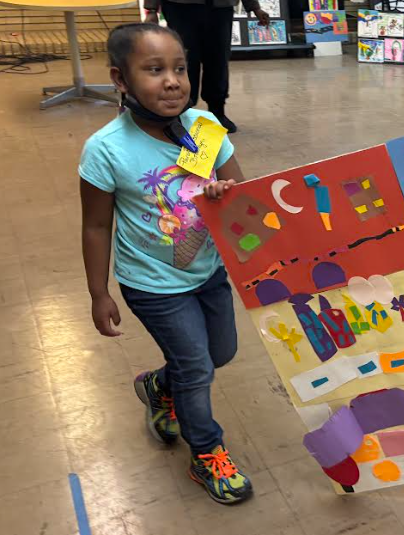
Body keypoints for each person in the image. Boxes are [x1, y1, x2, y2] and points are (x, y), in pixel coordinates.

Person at [80, 23, 252, 504]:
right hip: (152, 283)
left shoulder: (206, 128)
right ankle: (207, 452)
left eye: (179, 68)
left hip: (208, 270)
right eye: (154, 70)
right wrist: (98, 293)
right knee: (196, 369)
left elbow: (242, 197)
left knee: (219, 354)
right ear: (121, 79)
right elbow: (96, 226)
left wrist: (224, 195)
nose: (173, 81)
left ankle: (159, 385)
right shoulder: (106, 149)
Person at [143, 0, 270, 133]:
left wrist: (255, 8)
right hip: (179, 7)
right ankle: (181, 114)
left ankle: (217, 113)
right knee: (184, 62)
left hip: (220, 8)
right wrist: (151, 9)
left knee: (218, 61)